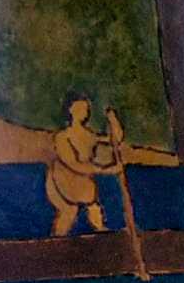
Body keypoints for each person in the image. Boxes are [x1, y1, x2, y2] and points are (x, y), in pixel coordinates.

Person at [46, 97, 130, 236]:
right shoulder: (62, 137)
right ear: (71, 110)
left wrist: (113, 119)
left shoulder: (89, 135)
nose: (83, 112)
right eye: (79, 108)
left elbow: (116, 139)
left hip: (83, 178)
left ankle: (101, 234)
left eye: (85, 109)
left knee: (93, 207)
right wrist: (106, 170)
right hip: (62, 178)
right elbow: (73, 164)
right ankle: (56, 242)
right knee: (68, 212)